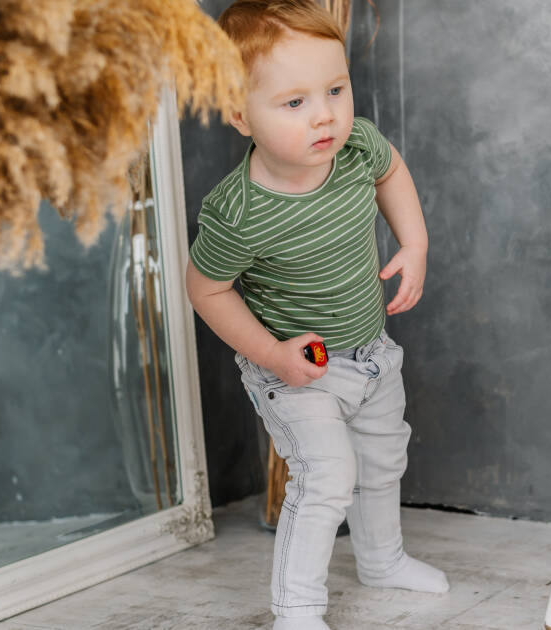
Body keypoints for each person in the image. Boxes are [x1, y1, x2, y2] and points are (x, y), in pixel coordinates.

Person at [185, 2, 445, 628]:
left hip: (371, 352)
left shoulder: (354, 146)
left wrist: (414, 243)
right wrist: (273, 355)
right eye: (294, 103)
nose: (325, 113)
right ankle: (297, 610)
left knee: (384, 463)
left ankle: (382, 559)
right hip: (295, 370)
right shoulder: (238, 211)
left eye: (335, 88)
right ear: (239, 113)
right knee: (328, 476)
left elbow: (392, 170)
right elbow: (206, 290)